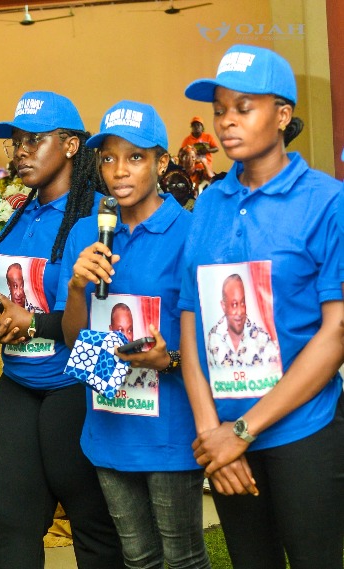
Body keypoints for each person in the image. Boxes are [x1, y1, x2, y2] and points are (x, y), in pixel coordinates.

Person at [179, 44, 343, 569]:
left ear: (283, 115)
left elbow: (337, 333)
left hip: (302, 429)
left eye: (244, 108)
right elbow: (191, 318)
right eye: (220, 110)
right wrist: (212, 433)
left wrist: (242, 431)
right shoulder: (209, 203)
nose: (227, 121)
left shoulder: (326, 201)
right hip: (224, 436)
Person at [57, 100, 211, 569]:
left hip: (170, 429)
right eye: (108, 158)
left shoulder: (190, 232)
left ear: (162, 164)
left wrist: (169, 360)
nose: (119, 170)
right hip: (108, 423)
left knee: (182, 558)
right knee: (138, 557)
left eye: (135, 157)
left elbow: (210, 341)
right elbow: (73, 340)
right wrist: (77, 286)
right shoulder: (86, 232)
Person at [0, 90, 124, 569]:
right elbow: (1, 291)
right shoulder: (20, 213)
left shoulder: (100, 215)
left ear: (70, 145)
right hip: (19, 381)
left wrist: (29, 322)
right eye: (16, 143)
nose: (21, 152)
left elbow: (99, 317)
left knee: (91, 517)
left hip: (76, 383)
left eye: (34, 140)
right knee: (9, 515)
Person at [207, 273, 280, 368]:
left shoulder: (262, 338)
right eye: (234, 305)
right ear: (223, 306)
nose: (240, 311)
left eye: (242, 303)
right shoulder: (214, 337)